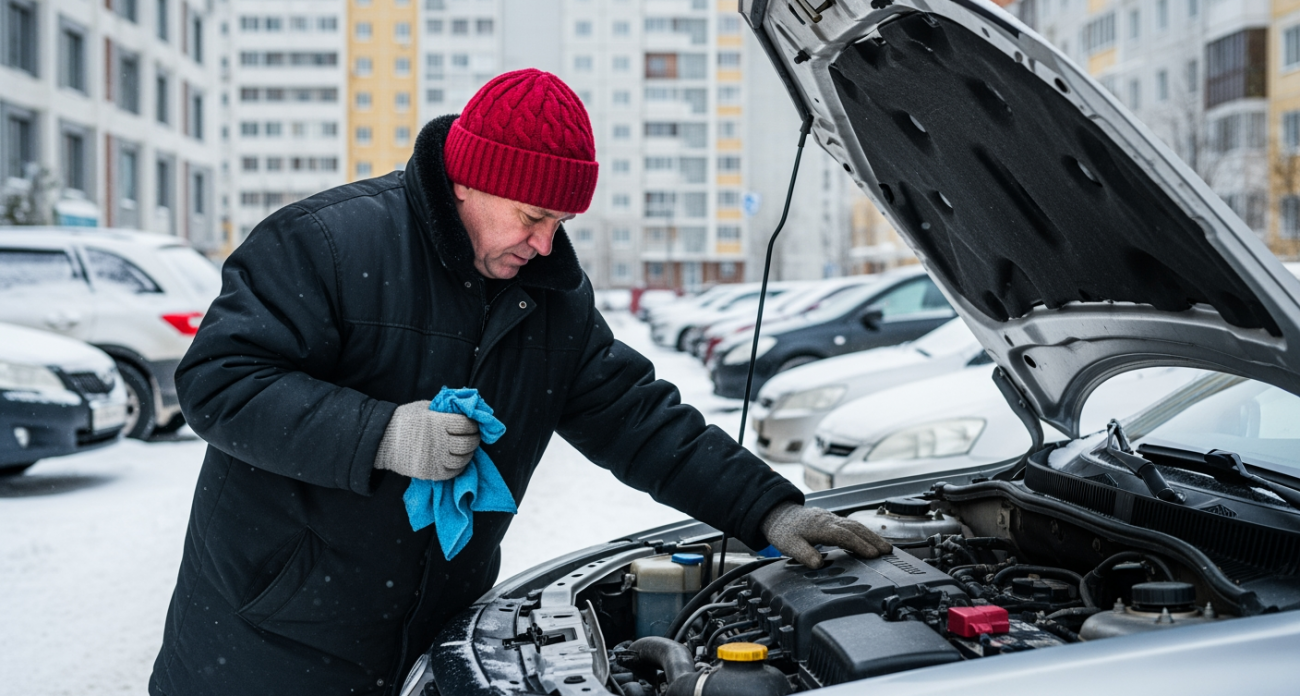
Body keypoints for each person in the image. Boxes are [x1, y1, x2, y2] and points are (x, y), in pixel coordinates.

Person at [149, 69, 890, 696]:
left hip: (431, 635)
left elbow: (637, 418)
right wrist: (381, 434)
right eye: (533, 216)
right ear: (470, 182)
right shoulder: (327, 245)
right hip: (269, 640)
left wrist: (765, 510)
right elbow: (220, 384)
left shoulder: (552, 300)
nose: (544, 244)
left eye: (561, 222)